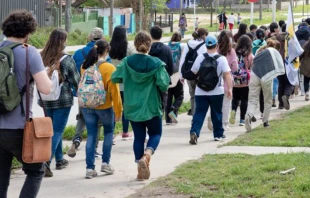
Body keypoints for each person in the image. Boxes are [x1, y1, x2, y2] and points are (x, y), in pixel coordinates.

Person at [0, 10, 52, 197]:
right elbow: (46, 89)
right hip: (19, 127)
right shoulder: (29, 53)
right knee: (36, 171)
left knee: (1, 179)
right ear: (28, 32)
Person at [111, 31, 170, 180]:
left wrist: (128, 78)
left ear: (135, 45)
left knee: (138, 137)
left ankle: (139, 169)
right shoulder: (156, 63)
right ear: (149, 45)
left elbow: (115, 77)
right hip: (151, 106)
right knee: (156, 134)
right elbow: (163, 84)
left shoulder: (126, 62)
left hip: (132, 106)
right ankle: (147, 155)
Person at [40, 28, 80, 177]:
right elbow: (76, 80)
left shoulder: (41, 56)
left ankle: (60, 160)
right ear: (63, 42)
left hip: (44, 99)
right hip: (62, 100)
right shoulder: (67, 59)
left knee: (52, 131)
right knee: (57, 131)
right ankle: (46, 162)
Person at [80, 40, 122, 179]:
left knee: (91, 135)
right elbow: (114, 91)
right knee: (109, 132)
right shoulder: (109, 68)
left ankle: (89, 169)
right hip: (105, 106)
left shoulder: (84, 66)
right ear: (106, 51)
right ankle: (105, 163)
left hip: (88, 106)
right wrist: (118, 110)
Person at [68, 27, 111, 158]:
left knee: (82, 118)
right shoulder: (104, 57)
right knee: (96, 124)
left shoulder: (78, 53)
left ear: (89, 38)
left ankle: (76, 140)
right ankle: (95, 149)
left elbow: (72, 73)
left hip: (83, 93)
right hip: (98, 95)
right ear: (102, 38)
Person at [189, 35, 233, 143]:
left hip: (200, 91)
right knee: (217, 113)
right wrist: (230, 89)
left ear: (206, 46)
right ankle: (218, 134)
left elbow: (194, 71)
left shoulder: (200, 57)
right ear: (217, 45)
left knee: (199, 113)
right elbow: (227, 74)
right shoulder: (221, 59)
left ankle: (194, 132)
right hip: (217, 91)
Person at [245, 39, 284, 131]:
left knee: (252, 100)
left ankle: (249, 115)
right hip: (266, 77)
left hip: (254, 75)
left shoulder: (259, 51)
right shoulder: (273, 53)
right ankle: (265, 121)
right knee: (268, 100)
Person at [207, 30, 238, 131]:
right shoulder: (231, 51)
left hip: (214, 79)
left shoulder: (215, 50)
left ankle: (212, 118)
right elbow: (234, 68)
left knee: (214, 102)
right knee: (226, 103)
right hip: (227, 79)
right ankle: (224, 123)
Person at [109, 25, 136, 139]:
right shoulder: (129, 47)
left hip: (112, 82)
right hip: (126, 83)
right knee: (125, 108)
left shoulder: (109, 47)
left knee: (114, 108)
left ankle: (111, 133)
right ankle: (125, 132)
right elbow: (135, 59)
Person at [179, 28, 208, 116]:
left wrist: (181, 75)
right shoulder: (204, 45)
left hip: (189, 73)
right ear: (203, 36)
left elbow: (183, 59)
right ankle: (198, 117)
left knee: (192, 96)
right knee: (201, 96)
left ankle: (194, 116)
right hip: (200, 75)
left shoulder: (188, 44)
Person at [149, 25, 174, 122]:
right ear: (161, 35)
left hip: (149, 81)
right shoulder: (166, 49)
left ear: (150, 35)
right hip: (163, 81)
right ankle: (158, 121)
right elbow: (171, 69)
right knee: (163, 102)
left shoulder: (148, 49)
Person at [229, 35, 254, 126]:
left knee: (235, 98)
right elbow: (252, 67)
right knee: (244, 99)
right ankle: (242, 119)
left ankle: (233, 111)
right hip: (245, 82)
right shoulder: (249, 55)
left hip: (235, 80)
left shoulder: (234, 53)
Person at [166, 32, 184, 124]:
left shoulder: (166, 46)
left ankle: (168, 119)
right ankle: (174, 109)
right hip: (178, 74)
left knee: (168, 97)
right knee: (179, 96)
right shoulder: (182, 46)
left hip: (168, 74)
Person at [275, 24, 294, 110]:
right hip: (289, 64)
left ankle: (280, 104)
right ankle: (286, 95)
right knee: (290, 82)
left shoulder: (276, 38)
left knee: (281, 83)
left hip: (278, 64)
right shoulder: (292, 39)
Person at [296, 22, 310, 97]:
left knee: (306, 79)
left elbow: (301, 55)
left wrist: (298, 61)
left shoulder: (305, 46)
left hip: (305, 64)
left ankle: (306, 91)